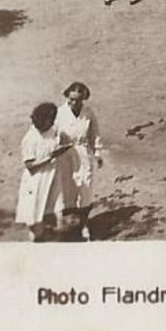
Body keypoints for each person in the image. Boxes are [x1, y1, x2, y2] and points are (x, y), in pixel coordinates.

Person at [16, 102, 72, 242]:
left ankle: (52, 233)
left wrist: (62, 145)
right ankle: (36, 238)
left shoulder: (51, 130)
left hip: (52, 173)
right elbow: (30, 166)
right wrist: (51, 157)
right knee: (34, 210)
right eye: (50, 121)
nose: (52, 123)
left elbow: (59, 134)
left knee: (53, 205)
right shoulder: (30, 139)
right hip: (36, 179)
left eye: (53, 120)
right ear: (41, 120)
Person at [54, 82, 102, 241]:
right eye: (71, 99)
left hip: (83, 154)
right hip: (64, 155)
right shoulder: (59, 113)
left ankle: (84, 225)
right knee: (65, 190)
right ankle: (63, 226)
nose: (74, 103)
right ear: (67, 96)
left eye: (78, 100)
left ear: (83, 99)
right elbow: (51, 134)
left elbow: (94, 134)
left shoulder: (88, 112)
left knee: (85, 189)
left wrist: (98, 153)